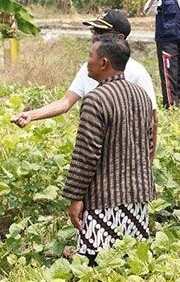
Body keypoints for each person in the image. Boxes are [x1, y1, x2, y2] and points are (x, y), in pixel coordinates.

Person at [62, 35, 155, 266]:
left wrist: (75, 197)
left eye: (90, 56)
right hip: (137, 197)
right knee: (129, 265)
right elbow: (148, 141)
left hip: (104, 200)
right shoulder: (141, 95)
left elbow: (86, 155)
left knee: (96, 268)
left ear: (103, 63)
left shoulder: (96, 99)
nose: (87, 63)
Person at [11, 10, 158, 156]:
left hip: (125, 153)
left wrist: (148, 160)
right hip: (93, 148)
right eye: (94, 32)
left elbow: (152, 119)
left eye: (101, 33)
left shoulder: (137, 73)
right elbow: (65, 102)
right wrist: (31, 115)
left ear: (120, 38)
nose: (95, 37)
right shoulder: (90, 69)